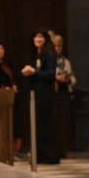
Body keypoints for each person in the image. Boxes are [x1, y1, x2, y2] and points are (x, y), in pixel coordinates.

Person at [21, 30, 60, 164]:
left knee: (47, 126)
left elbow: (50, 74)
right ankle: (40, 155)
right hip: (36, 94)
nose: (38, 39)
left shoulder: (50, 53)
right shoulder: (36, 53)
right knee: (38, 126)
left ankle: (51, 156)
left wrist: (34, 72)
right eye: (36, 36)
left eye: (40, 36)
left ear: (45, 39)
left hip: (46, 95)